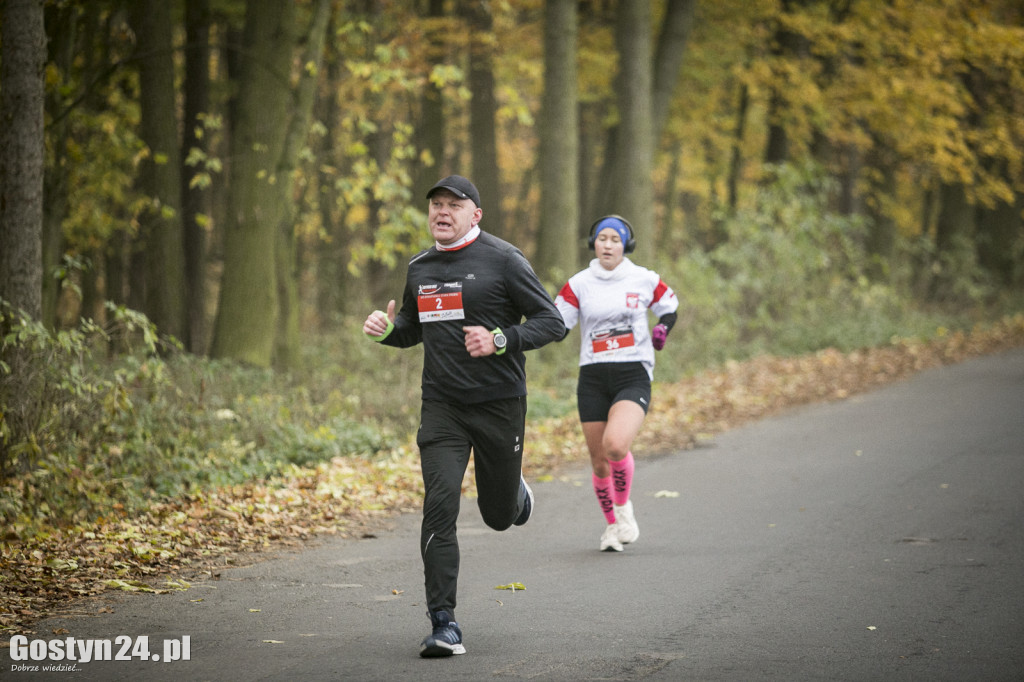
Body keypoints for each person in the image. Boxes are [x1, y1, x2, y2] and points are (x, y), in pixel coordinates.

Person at [363, 175, 564, 657]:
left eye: (454, 204)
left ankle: (514, 494)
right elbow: (414, 328)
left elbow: (551, 321)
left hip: (499, 404)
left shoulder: (504, 260)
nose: (442, 211)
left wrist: (500, 340)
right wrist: (388, 330)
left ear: (476, 214)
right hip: (443, 407)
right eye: (435, 204)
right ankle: (443, 622)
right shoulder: (420, 268)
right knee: (440, 504)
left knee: (497, 517)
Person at [553, 215, 679, 552]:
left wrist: (662, 328)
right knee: (598, 462)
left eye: (615, 240)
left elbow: (669, 306)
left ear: (626, 245)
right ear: (593, 242)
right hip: (592, 377)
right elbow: (557, 325)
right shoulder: (578, 283)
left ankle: (624, 510)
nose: (608, 245)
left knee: (616, 445)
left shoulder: (643, 279)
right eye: (602, 239)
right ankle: (611, 527)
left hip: (632, 373)